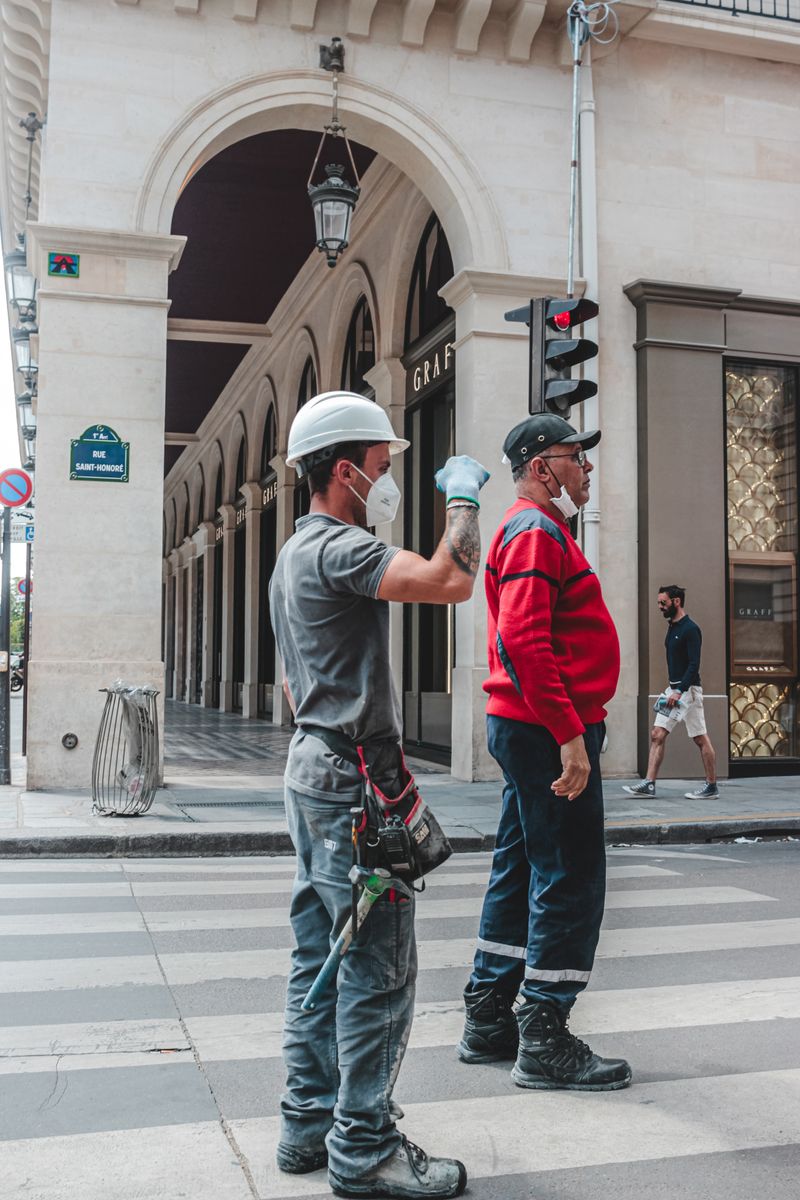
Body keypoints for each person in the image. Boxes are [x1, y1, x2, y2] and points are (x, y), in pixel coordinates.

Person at [269, 390, 489, 1200]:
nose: (387, 482)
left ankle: (307, 1125)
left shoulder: (292, 554)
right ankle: (364, 1150)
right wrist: (463, 497)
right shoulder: (339, 548)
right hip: (351, 788)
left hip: (314, 771)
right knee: (377, 969)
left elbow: (295, 685)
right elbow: (449, 581)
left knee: (316, 959)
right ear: (343, 471)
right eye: (382, 467)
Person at [457, 412, 631, 1092]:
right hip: (544, 727)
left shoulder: (536, 531)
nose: (585, 469)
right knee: (569, 875)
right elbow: (525, 642)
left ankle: (490, 1018)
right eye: (574, 457)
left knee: (522, 868)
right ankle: (546, 1034)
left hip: (527, 722)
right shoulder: (534, 531)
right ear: (540, 468)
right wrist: (569, 736)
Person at [623, 584, 718, 800]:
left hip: (688, 691)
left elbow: (694, 665)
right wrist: (672, 689)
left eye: (663, 602)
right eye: (659, 602)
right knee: (665, 735)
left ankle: (711, 786)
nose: (660, 606)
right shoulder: (672, 627)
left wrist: (679, 691)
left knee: (691, 737)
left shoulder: (691, 629)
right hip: (675, 689)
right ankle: (649, 783)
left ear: (676, 601)